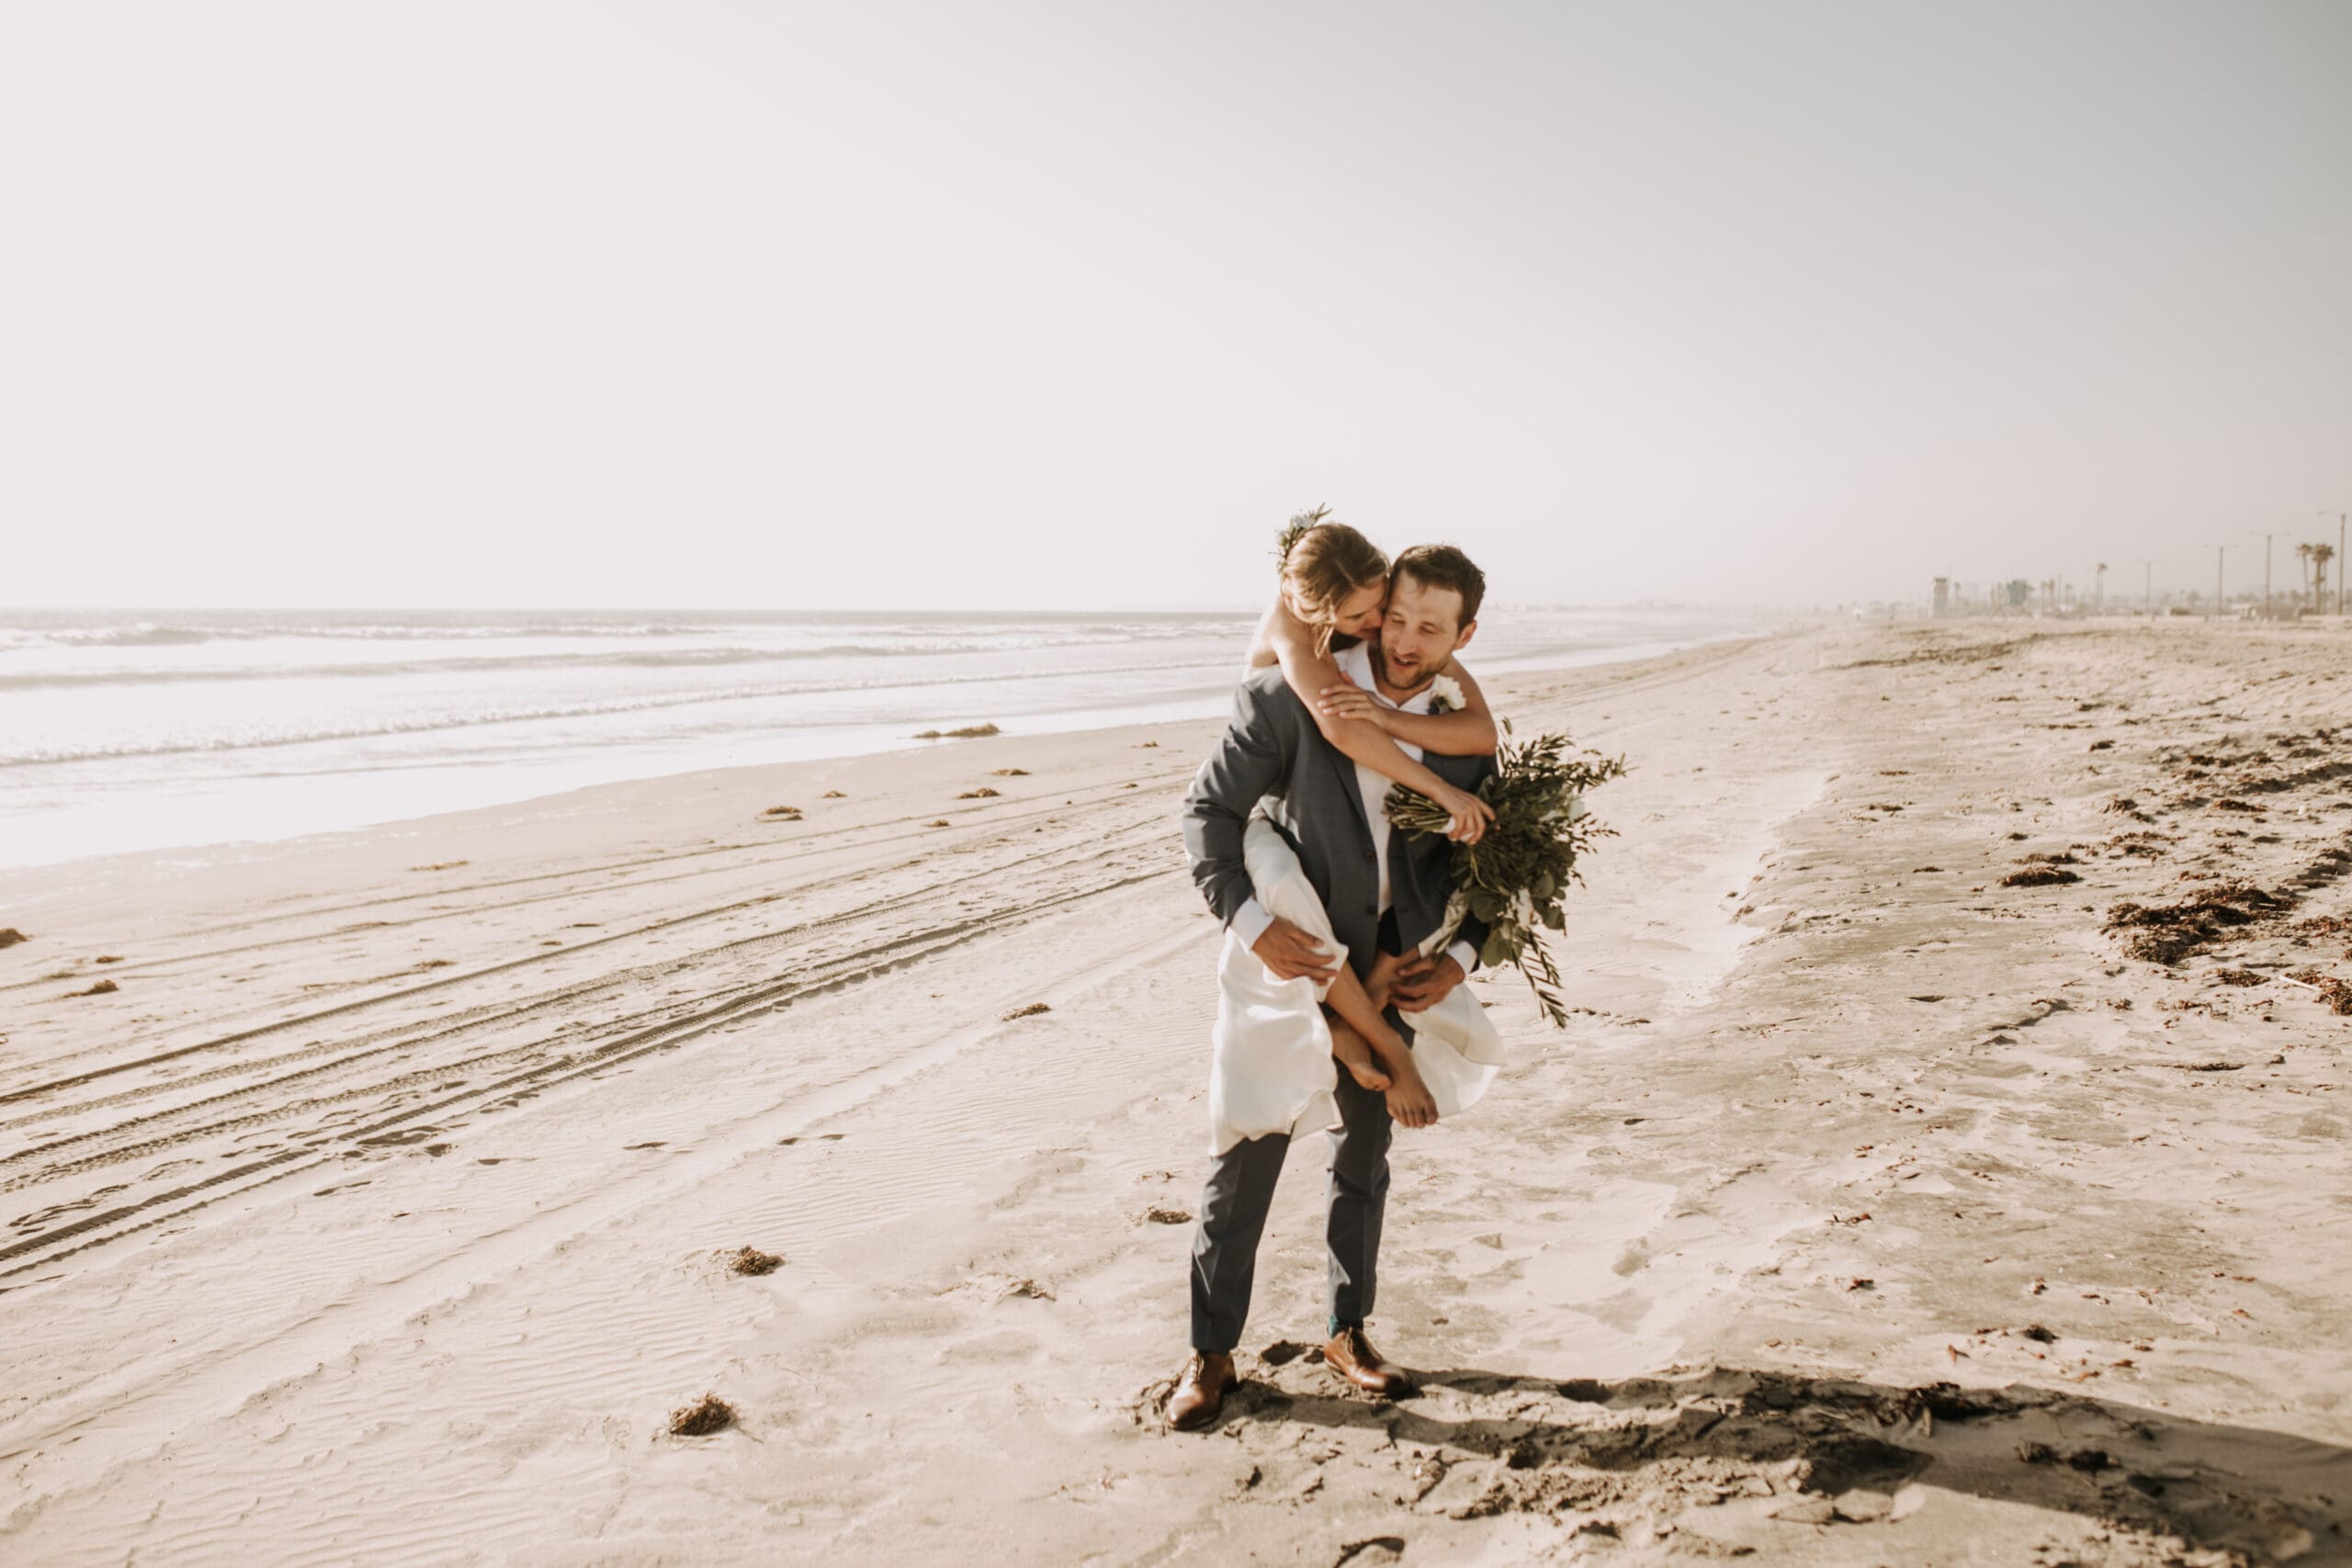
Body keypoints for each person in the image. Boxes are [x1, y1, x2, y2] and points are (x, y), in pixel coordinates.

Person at [1170, 542, 1498, 1433]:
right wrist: (1249, 925)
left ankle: (1347, 1333)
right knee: (1248, 1146)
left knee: (1363, 1160)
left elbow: (1499, 870)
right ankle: (1209, 1356)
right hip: (1288, 959)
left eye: (1430, 628)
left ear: (1463, 636)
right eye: (1394, 616)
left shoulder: (1460, 734)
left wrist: (1458, 958)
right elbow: (1206, 813)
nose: (1402, 639)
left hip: (1387, 968)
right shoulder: (1288, 697)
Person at [1243, 517, 1501, 1096]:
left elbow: (1481, 731)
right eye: (1367, 619)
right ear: (1318, 604)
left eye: (1380, 605)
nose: (1380, 628)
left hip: (1357, 847)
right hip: (1286, 807)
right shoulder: (1295, 624)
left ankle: (1348, 1025)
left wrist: (1387, 712)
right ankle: (1375, 1039)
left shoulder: (1387, 623)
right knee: (1296, 900)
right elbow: (1341, 729)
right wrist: (1441, 790)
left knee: (1427, 891)